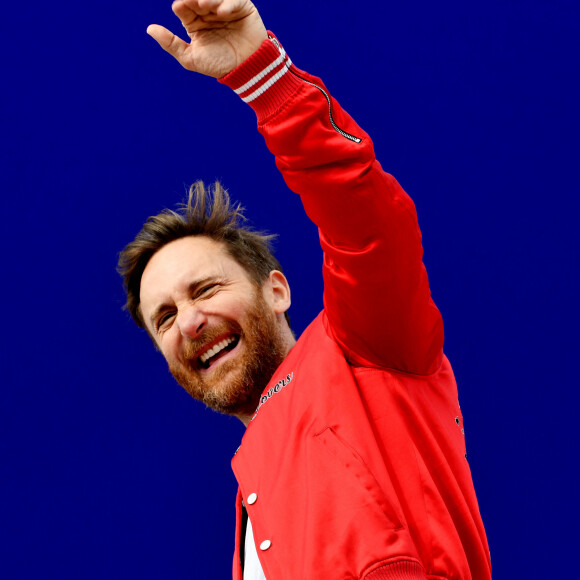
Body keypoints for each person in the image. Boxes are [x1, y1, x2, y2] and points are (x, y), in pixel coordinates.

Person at [117, 0, 492, 578]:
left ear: (277, 290)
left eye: (207, 288)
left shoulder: (367, 348)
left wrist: (265, 80)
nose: (189, 321)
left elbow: (366, 223)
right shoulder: (250, 501)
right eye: (164, 318)